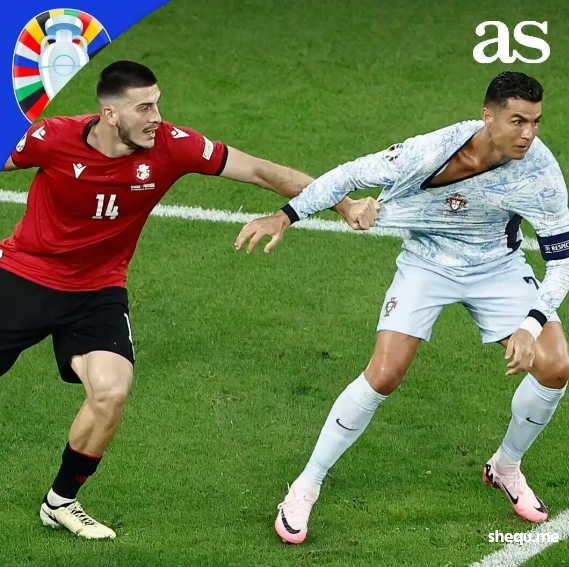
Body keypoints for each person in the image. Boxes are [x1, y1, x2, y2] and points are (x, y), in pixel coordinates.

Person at [0, 60, 378, 540]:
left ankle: (60, 502)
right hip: (24, 275)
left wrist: (343, 204)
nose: (156, 117)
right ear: (110, 114)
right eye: (144, 108)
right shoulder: (52, 137)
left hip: (97, 290)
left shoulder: (172, 146)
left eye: (157, 103)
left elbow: (261, 171)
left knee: (112, 391)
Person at [235, 71, 569, 544]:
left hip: (496, 267)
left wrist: (531, 326)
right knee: (385, 374)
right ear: (487, 116)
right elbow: (349, 174)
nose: (529, 134)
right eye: (518, 121)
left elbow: (562, 264)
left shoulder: (541, 174)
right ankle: (306, 485)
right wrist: (285, 216)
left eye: (535, 122)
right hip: (427, 261)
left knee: (556, 367)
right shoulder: (432, 150)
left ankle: (506, 466)